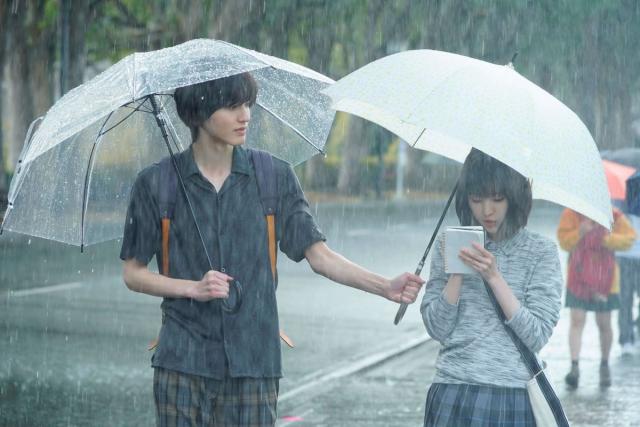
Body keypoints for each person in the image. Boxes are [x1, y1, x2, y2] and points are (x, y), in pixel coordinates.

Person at [120, 73, 424, 427]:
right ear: (198, 113)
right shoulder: (157, 183)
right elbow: (133, 273)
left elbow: (320, 256)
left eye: (247, 104)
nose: (245, 115)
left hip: (254, 361)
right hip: (183, 360)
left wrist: (384, 286)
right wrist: (192, 287)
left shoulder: (272, 176)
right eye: (232, 106)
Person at [421, 149, 563, 426]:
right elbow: (437, 328)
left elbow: (536, 336)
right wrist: (457, 272)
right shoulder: (448, 245)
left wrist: (494, 278)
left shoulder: (541, 252)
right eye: (476, 199)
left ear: (515, 197)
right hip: (452, 390)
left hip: (511, 395)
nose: (487, 211)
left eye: (497, 199)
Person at [558, 206, 635, 388]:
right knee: (577, 320)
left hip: (605, 279)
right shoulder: (572, 213)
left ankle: (604, 364)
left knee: (604, 323)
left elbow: (630, 238)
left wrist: (607, 238)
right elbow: (563, 241)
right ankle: (574, 366)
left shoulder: (612, 214)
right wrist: (580, 232)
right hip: (578, 276)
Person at [617, 188, 640, 355]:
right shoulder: (619, 205)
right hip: (624, 256)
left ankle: (636, 329)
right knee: (625, 300)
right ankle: (626, 338)